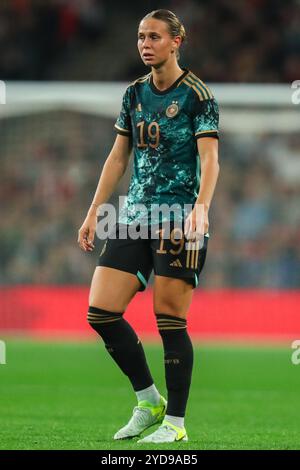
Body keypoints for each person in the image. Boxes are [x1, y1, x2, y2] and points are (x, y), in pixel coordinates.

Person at [78, 9, 219, 444]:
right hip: (134, 216)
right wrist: (93, 211)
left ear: (177, 41)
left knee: (169, 320)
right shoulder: (134, 93)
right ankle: (148, 400)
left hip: (178, 219)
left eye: (154, 36)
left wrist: (201, 206)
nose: (144, 43)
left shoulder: (198, 95)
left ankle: (175, 425)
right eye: (140, 36)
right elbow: (119, 156)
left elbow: (210, 159)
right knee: (100, 312)